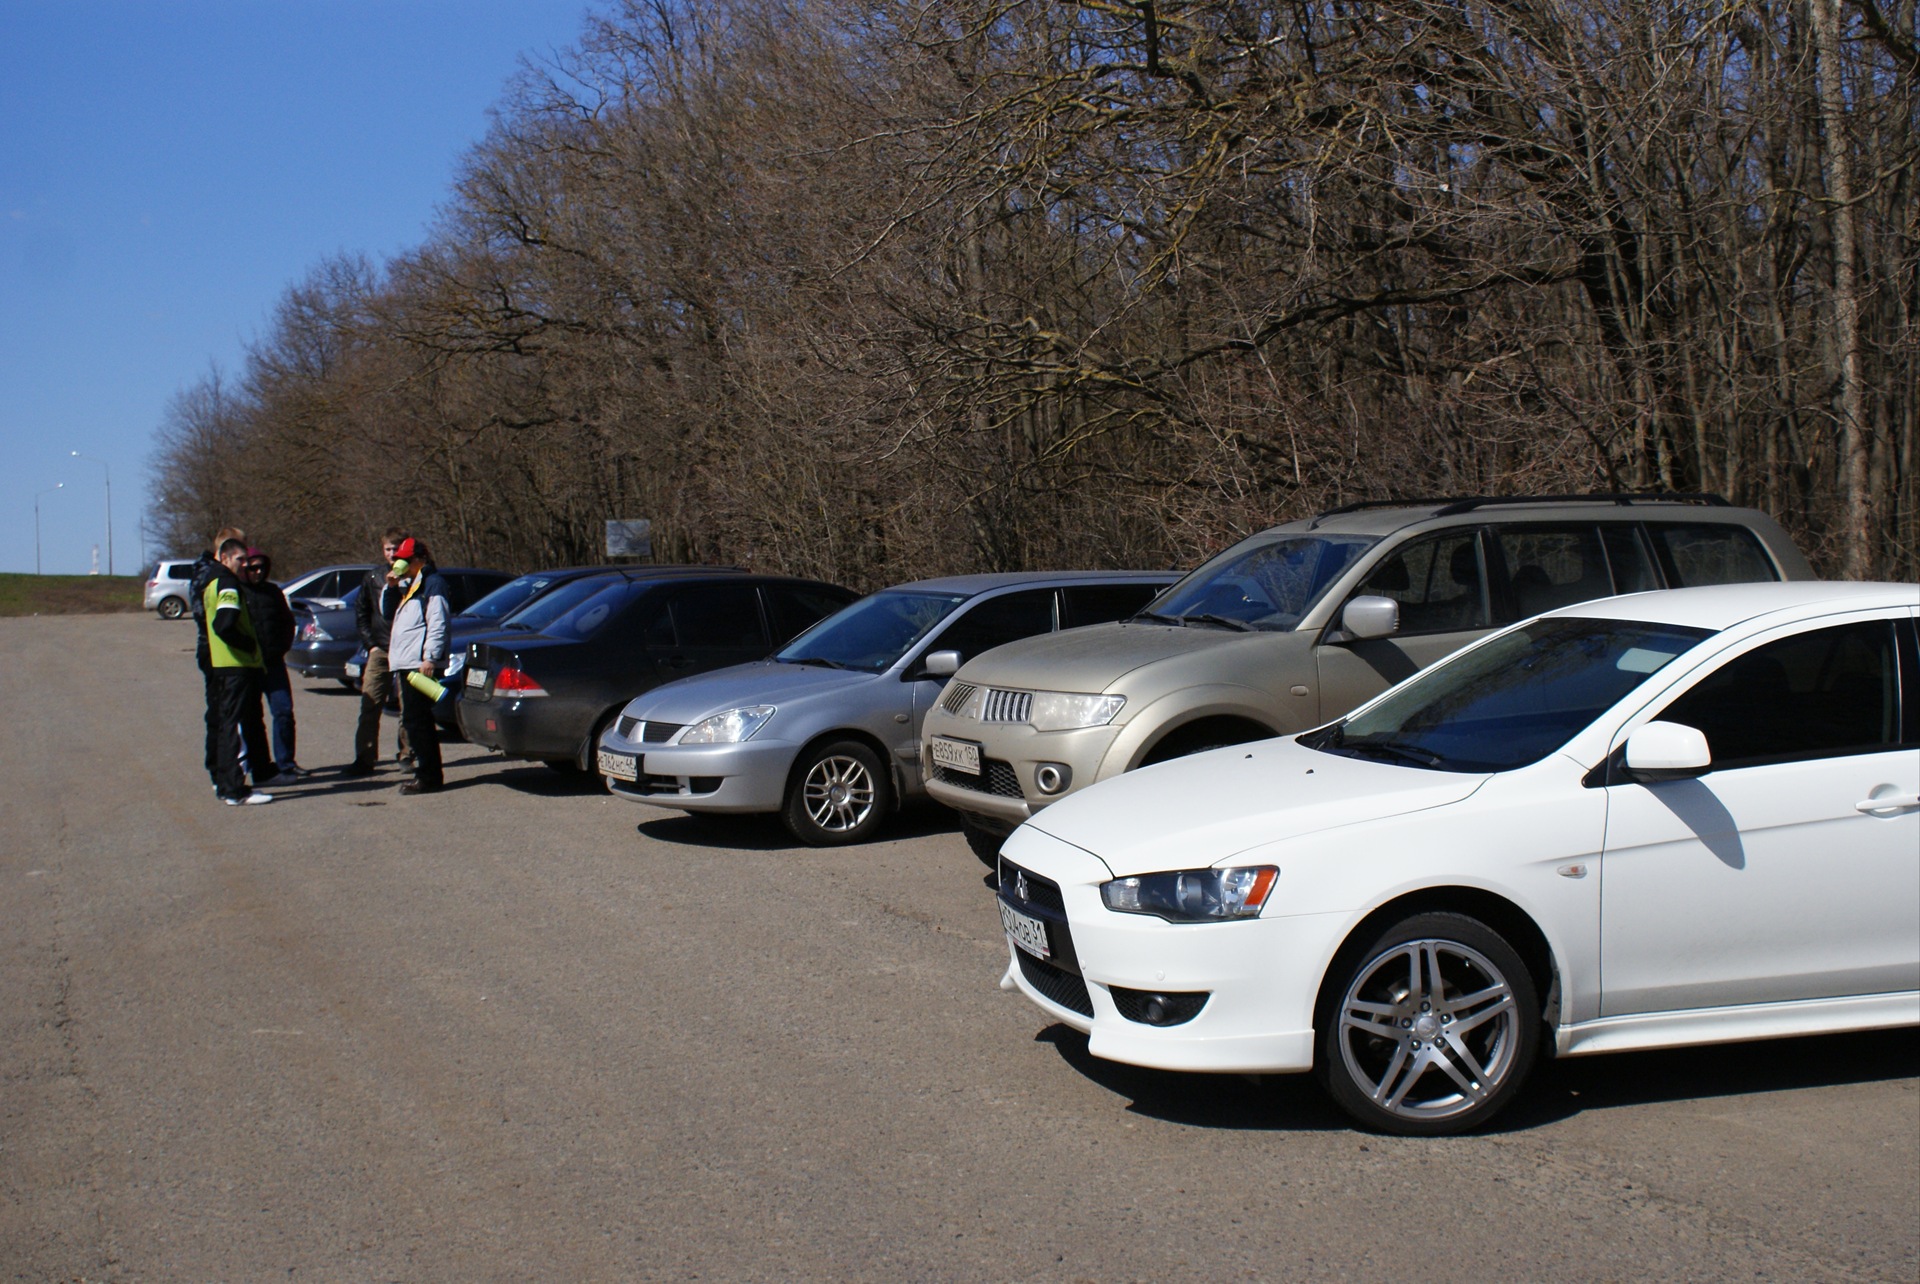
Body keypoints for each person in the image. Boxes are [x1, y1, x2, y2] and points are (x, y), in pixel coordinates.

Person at [204, 537, 274, 805]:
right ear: (224, 558)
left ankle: (225, 784)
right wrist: (246, 645)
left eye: (246, 560)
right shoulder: (228, 583)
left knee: (225, 725)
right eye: (239, 560)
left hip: (224, 665)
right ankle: (234, 789)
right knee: (234, 728)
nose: (244, 565)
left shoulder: (212, 581)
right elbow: (224, 623)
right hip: (235, 665)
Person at [386, 536, 449, 795]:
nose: (401, 564)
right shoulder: (410, 585)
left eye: (405, 560)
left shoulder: (432, 583)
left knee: (419, 721)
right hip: (405, 662)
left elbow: (438, 621)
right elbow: (387, 613)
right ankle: (427, 773)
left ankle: (429, 777)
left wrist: (430, 657)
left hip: (418, 664)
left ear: (419, 559)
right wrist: (391, 587)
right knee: (413, 721)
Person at [344, 527, 409, 776]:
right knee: (370, 703)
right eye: (388, 549)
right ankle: (365, 757)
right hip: (380, 649)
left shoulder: (415, 576)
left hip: (406, 651)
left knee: (408, 707)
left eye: (396, 548)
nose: (392, 554)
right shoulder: (373, 577)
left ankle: (407, 754)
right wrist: (370, 644)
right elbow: (361, 612)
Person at [241, 547, 304, 779]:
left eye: (261, 567)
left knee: (284, 712)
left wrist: (282, 647)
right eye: (252, 568)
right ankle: (260, 766)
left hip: (274, 662)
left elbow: (288, 622)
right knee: (252, 719)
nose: (257, 572)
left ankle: (286, 763)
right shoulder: (238, 591)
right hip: (249, 665)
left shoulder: (273, 592)